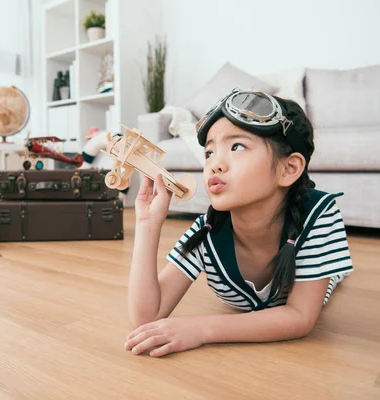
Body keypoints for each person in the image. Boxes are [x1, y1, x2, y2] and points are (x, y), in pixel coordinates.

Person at [125, 89, 353, 357]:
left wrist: (201, 328)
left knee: (334, 274)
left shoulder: (319, 215)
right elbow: (146, 317)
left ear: (288, 168)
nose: (215, 164)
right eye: (209, 152)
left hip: (316, 267)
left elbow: (300, 316)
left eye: (237, 146)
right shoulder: (206, 230)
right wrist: (147, 224)